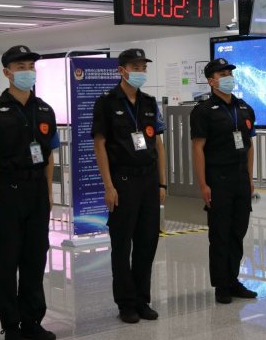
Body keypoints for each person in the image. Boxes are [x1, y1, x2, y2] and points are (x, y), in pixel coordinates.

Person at [0, 45, 58, 340]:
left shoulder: (44, 109)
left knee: (35, 260)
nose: (27, 72)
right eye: (20, 67)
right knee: (7, 264)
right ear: (7, 72)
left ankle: (32, 321)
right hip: (7, 192)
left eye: (31, 67)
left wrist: (48, 192)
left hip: (36, 192)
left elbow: (49, 155)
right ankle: (11, 326)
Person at [91, 48, 167, 323]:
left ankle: (142, 299)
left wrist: (162, 183)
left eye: (143, 68)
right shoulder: (106, 103)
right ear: (121, 70)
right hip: (122, 181)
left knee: (147, 242)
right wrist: (108, 185)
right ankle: (125, 303)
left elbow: (158, 144)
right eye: (135, 67)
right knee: (122, 244)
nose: (140, 72)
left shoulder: (148, 102)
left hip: (148, 180)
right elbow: (99, 145)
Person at [190, 58, 258, 304]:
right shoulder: (203, 111)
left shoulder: (244, 108)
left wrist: (250, 177)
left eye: (229, 72)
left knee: (238, 232)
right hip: (218, 180)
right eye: (222, 74)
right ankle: (221, 285)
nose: (228, 76)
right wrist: (203, 184)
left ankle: (233, 279)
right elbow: (198, 148)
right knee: (220, 234)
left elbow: (249, 146)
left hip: (241, 179)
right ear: (211, 81)